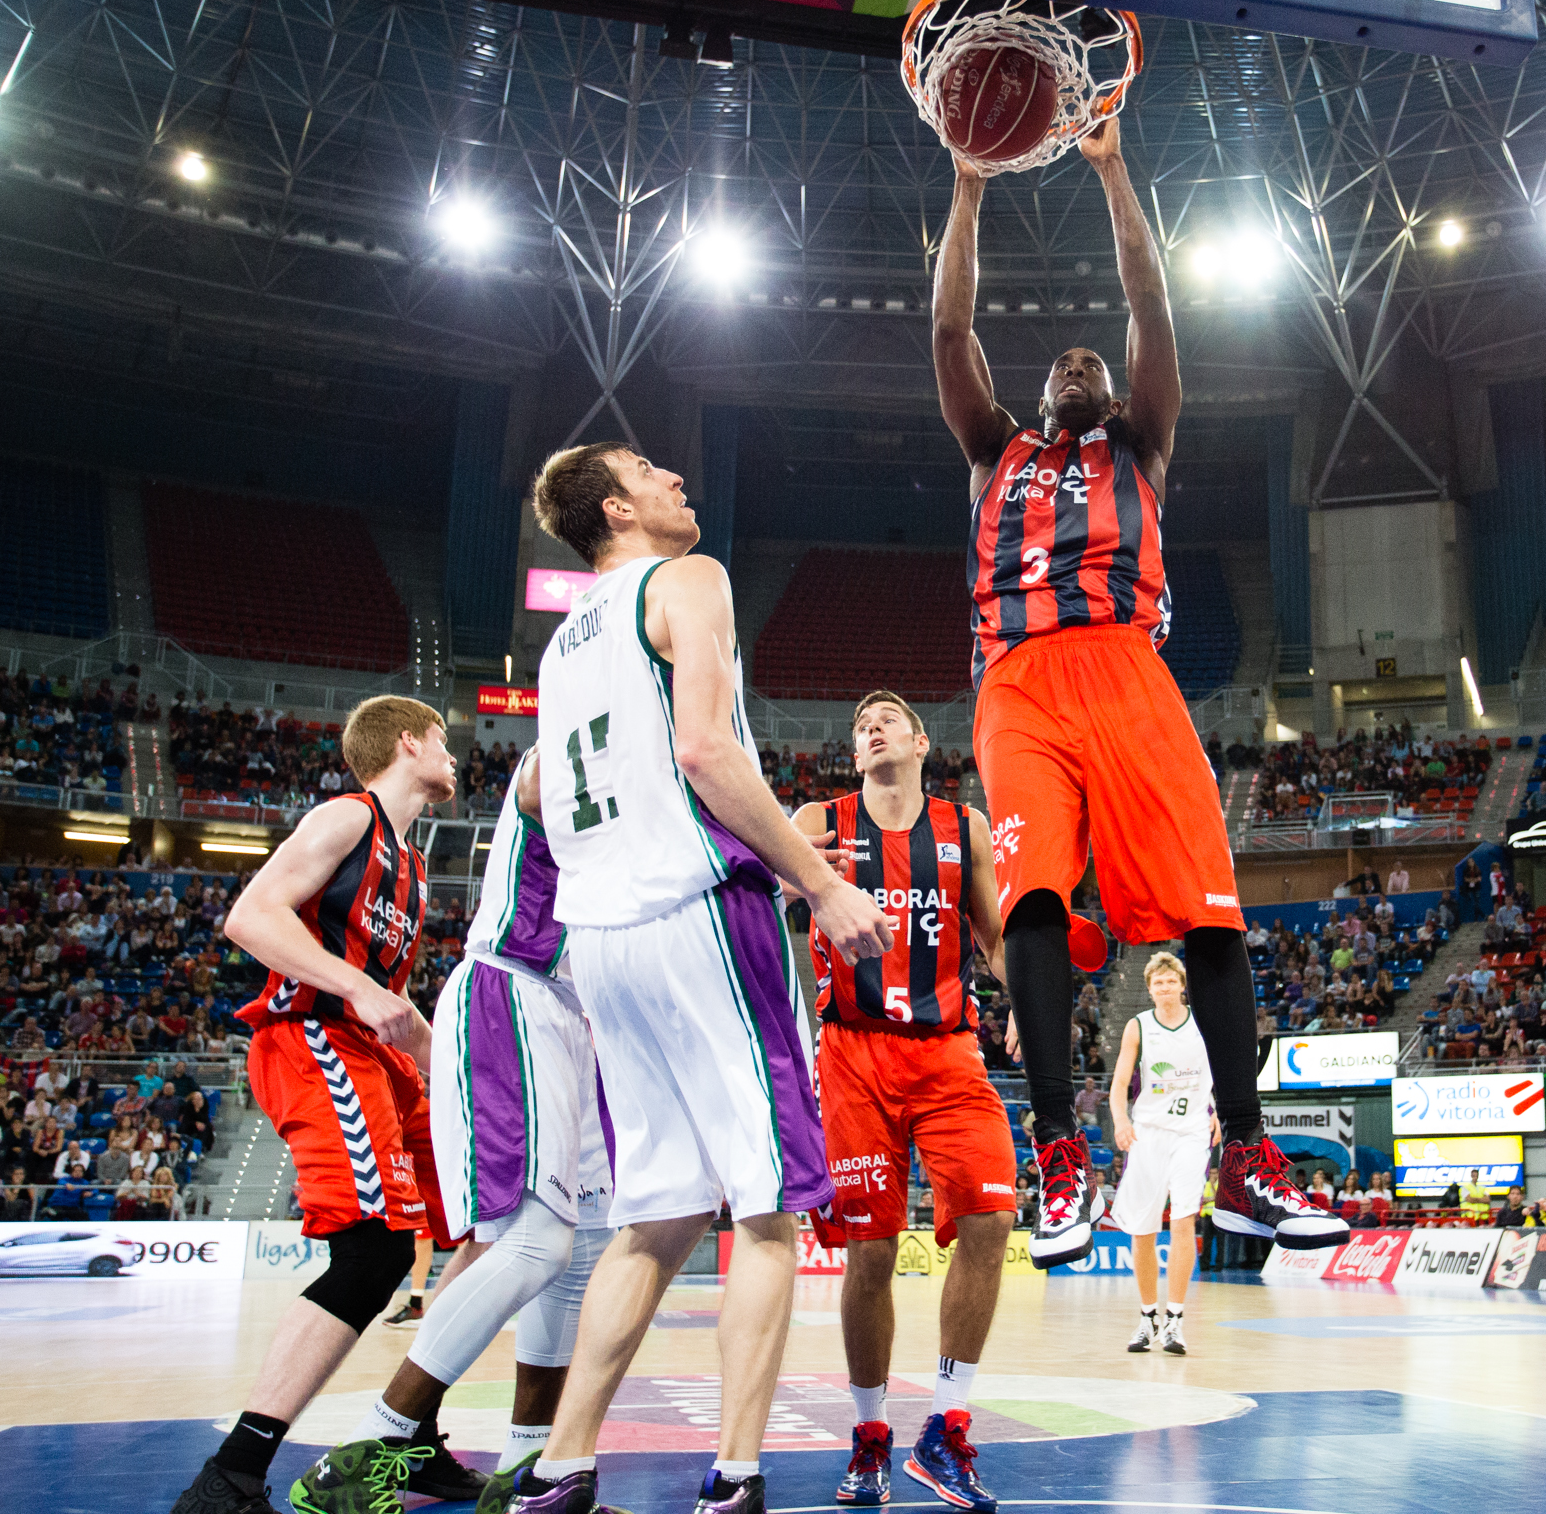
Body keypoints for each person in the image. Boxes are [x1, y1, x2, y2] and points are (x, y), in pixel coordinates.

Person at [931, 116, 1344, 1267]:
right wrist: (968, 189)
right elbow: (950, 323)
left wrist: (1116, 167)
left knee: (1209, 913)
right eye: (1059, 365)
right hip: (1016, 680)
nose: (1076, 366)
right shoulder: (992, 451)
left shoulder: (1141, 441)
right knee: (1032, 906)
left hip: (1126, 666)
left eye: (1092, 365)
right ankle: (1059, 1150)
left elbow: (1153, 306)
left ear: (1115, 390)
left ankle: (1248, 1156)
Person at [482, 443, 895, 1514]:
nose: (680, 480)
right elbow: (709, 750)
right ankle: (737, 1474)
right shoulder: (690, 579)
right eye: (654, 472)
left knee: (655, 1216)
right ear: (618, 507)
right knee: (766, 1206)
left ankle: (563, 1467)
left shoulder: (563, 642)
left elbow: (550, 793)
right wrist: (816, 882)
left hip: (603, 937)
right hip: (701, 914)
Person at [290, 751, 617, 1510]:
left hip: (581, 1021)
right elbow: (544, 780)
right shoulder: (573, 750)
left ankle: (525, 1472)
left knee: (583, 1250)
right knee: (535, 1242)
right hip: (516, 987)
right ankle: (371, 1447)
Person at [168, 697, 466, 1514]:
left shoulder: (413, 861)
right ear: (409, 741)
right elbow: (250, 916)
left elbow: (396, 1005)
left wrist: (461, 1075)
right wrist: (359, 987)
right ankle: (229, 1476)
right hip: (315, 1039)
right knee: (372, 1254)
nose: (454, 755)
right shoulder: (347, 816)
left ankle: (411, 1435)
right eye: (444, 739)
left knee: (489, 1224)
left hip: (380, 1054)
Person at [791, 690, 1016, 1512]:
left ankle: (946, 1423)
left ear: (922, 741)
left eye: (887, 717)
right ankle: (871, 1432)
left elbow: (991, 937)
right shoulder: (820, 818)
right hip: (852, 1052)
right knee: (873, 1252)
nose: (871, 726)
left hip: (949, 1050)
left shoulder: (968, 828)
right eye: (859, 724)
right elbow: (764, 888)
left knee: (991, 1218)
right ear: (856, 754)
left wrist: (1023, 994)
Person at [1107, 951, 1217, 1360]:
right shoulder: (1138, 1026)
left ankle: (1175, 1319)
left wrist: (1220, 1108)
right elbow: (1120, 1083)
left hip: (1191, 1131)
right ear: (1150, 989)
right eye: (1158, 983)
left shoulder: (1202, 1020)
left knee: (1185, 1217)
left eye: (1171, 981)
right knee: (1143, 1229)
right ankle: (1147, 1316)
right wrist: (1120, 1120)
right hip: (1149, 1132)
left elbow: (1224, 1068)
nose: (1165, 988)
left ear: (1182, 985)